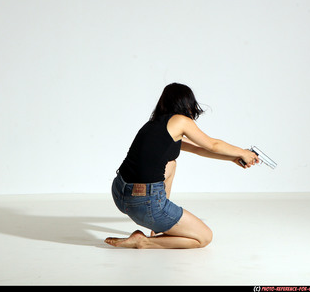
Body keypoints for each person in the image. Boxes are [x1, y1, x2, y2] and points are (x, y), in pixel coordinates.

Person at [105, 83, 259, 249]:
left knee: (171, 164)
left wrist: (232, 158)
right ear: (186, 103)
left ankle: (156, 226)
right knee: (204, 237)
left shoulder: (155, 125)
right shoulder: (180, 121)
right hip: (144, 202)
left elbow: (197, 148)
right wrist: (243, 153)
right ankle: (145, 242)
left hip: (120, 194)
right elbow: (212, 144)